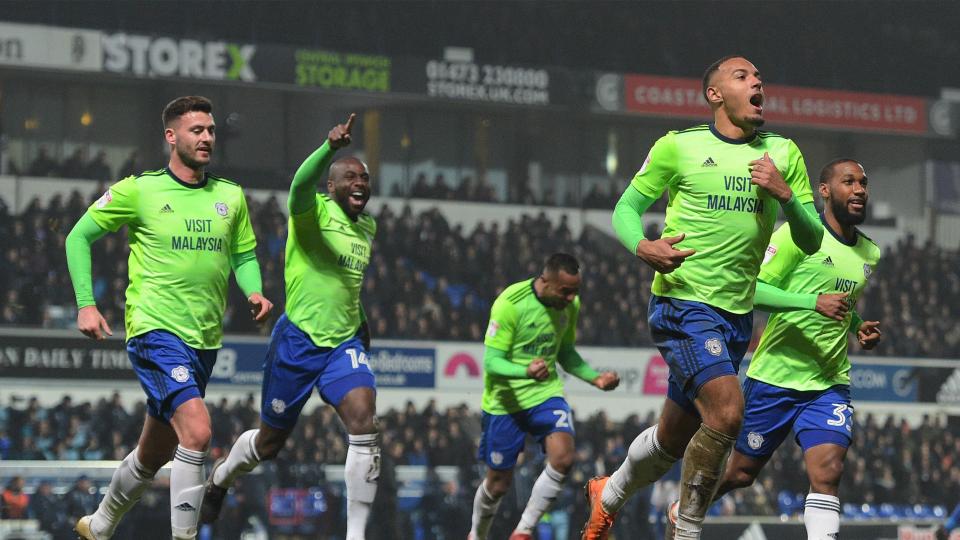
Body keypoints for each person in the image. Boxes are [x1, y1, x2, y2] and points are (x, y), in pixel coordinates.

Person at [581, 55, 824, 540]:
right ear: (715, 94)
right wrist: (642, 244)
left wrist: (786, 195)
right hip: (683, 304)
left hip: (736, 316)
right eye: (742, 76)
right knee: (728, 413)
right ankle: (687, 530)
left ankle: (607, 494)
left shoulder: (784, 153)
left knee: (672, 439)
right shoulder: (679, 147)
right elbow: (627, 208)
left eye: (759, 76)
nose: (757, 81)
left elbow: (813, 238)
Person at [66, 95, 272, 540]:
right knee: (197, 432)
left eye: (211, 130)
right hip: (155, 329)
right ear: (171, 136)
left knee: (152, 453)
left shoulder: (230, 196)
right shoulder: (139, 190)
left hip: (204, 341)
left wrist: (253, 289)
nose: (206, 138)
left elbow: (244, 254)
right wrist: (86, 302)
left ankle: (100, 525)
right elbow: (78, 236)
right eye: (196, 130)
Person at [200, 114, 381, 540]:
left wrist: (363, 325)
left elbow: (347, 287)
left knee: (364, 422)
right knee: (268, 445)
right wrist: (329, 148)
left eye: (365, 177)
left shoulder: (368, 227)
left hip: (343, 342)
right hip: (297, 341)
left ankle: (356, 536)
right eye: (349, 176)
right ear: (331, 186)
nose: (360, 182)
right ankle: (222, 477)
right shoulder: (310, 211)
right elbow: (299, 185)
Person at [708, 158, 881, 539]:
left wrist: (857, 326)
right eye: (848, 182)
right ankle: (687, 508)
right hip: (775, 376)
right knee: (740, 474)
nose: (859, 190)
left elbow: (843, 303)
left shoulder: (870, 253)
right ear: (824, 191)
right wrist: (811, 303)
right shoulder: (794, 237)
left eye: (863, 183)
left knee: (829, 472)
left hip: (829, 382)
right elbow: (751, 290)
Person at [468, 253, 620, 540]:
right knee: (498, 484)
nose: (571, 297)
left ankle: (523, 531)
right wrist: (524, 370)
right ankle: (477, 533)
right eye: (565, 290)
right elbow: (491, 361)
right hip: (505, 402)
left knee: (563, 458)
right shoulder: (510, 303)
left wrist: (595, 377)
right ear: (545, 281)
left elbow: (565, 352)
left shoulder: (570, 305)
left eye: (575, 290)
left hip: (545, 393)